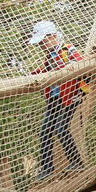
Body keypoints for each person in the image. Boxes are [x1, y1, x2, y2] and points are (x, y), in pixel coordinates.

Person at [29, 20, 87, 178]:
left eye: (43, 41)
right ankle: (47, 168)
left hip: (71, 95)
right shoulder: (49, 56)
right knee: (45, 131)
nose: (41, 46)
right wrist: (32, 75)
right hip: (54, 98)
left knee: (61, 128)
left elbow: (81, 62)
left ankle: (77, 162)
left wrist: (72, 66)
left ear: (53, 36)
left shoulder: (67, 49)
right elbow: (46, 70)